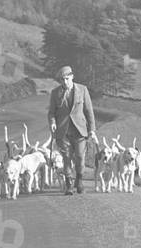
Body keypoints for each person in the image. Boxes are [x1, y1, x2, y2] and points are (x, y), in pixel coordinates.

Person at [47, 65, 98, 194]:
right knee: (66, 158)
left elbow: (89, 111)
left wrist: (92, 130)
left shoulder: (83, 90)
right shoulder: (55, 93)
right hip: (63, 132)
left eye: (67, 79)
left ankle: (79, 180)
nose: (65, 82)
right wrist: (52, 123)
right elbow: (51, 113)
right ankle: (69, 184)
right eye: (62, 79)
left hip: (80, 131)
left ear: (72, 77)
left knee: (80, 157)